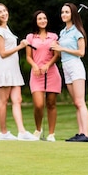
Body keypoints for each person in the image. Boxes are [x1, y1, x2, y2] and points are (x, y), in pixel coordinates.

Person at [0, 3, 37, 141]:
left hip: (13, 69)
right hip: (4, 69)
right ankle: (3, 133)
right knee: (3, 102)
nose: (3, 14)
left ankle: (21, 132)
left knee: (17, 100)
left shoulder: (6, 29)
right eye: (0, 12)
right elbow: (3, 53)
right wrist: (20, 46)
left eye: (4, 10)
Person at [52, 3, 88, 142]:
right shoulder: (63, 33)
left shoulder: (77, 32)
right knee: (76, 102)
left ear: (73, 14)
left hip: (75, 67)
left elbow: (81, 52)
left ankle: (85, 134)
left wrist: (62, 48)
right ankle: (80, 132)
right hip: (66, 67)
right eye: (62, 12)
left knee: (80, 102)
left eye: (67, 12)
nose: (64, 14)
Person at [25, 10, 62, 142]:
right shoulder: (30, 37)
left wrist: (48, 64)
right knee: (39, 104)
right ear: (36, 21)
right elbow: (28, 57)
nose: (42, 21)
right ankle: (38, 129)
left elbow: (57, 55)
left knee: (51, 104)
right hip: (36, 74)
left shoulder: (54, 37)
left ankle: (51, 134)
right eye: (39, 19)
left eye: (44, 18)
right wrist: (35, 65)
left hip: (51, 73)